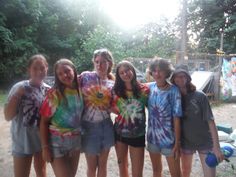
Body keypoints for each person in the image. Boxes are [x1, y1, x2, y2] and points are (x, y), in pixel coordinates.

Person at [171, 64, 224, 177]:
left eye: (183, 76)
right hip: (185, 143)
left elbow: (211, 122)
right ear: (173, 79)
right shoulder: (173, 97)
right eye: (177, 76)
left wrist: (216, 147)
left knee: (210, 174)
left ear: (188, 78)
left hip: (205, 142)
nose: (180, 79)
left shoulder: (200, 96)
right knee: (185, 172)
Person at [4, 54, 49, 177]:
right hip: (22, 141)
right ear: (28, 70)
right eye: (35, 68)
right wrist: (18, 95)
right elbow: (8, 116)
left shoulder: (49, 90)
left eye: (42, 68)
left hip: (41, 141)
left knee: (42, 172)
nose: (39, 71)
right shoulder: (18, 87)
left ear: (47, 68)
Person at [40, 59, 84, 177]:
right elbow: (43, 122)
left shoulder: (80, 88)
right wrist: (45, 148)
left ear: (73, 70)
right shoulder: (54, 94)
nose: (65, 75)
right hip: (56, 142)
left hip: (76, 140)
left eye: (67, 71)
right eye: (60, 74)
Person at [79, 48, 115, 177]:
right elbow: (68, 88)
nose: (100, 65)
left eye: (103, 62)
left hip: (106, 125)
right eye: (97, 61)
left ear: (109, 63)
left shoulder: (113, 84)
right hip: (88, 125)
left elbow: (115, 106)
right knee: (92, 166)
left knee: (103, 165)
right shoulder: (85, 76)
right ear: (93, 62)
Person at [112, 60, 149, 177]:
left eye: (127, 70)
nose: (125, 74)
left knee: (137, 172)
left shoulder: (145, 90)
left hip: (137, 134)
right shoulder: (115, 91)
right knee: (122, 168)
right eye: (121, 72)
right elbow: (110, 107)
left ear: (132, 70)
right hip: (120, 134)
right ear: (118, 76)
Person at [146, 58, 182, 177]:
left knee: (175, 173)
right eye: (154, 71)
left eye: (160, 70)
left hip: (169, 140)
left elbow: (177, 118)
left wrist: (177, 142)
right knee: (156, 171)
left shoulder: (174, 91)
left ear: (167, 72)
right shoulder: (149, 88)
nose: (157, 74)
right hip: (152, 138)